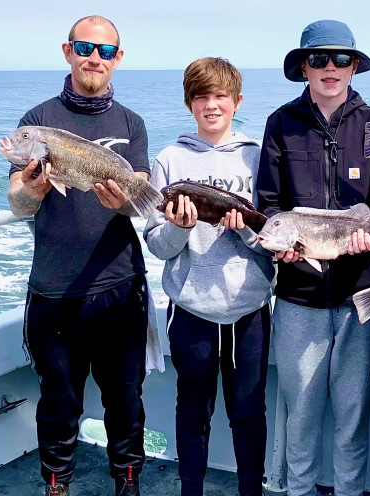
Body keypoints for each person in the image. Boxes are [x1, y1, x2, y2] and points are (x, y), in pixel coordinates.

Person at [254, 20, 370, 496]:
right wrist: (283, 243)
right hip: (298, 298)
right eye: (318, 59)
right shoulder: (280, 123)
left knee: (352, 415)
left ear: (354, 66)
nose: (330, 68)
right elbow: (268, 204)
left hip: (362, 294)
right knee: (300, 414)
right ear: (304, 67)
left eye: (341, 59)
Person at [6, 15, 150, 496]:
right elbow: (18, 202)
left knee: (125, 399)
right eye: (85, 48)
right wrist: (31, 190)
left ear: (118, 59)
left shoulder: (131, 123)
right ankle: (57, 485)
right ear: (67, 51)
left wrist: (125, 201)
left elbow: (140, 198)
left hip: (120, 286)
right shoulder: (36, 122)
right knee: (59, 402)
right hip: (54, 289)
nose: (94, 58)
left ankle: (127, 483)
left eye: (105, 51)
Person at [143, 57, 275, 496]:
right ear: (189, 104)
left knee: (249, 414)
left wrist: (247, 232)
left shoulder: (258, 157)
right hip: (191, 311)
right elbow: (157, 245)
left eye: (220, 96)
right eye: (201, 97)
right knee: (192, 413)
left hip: (249, 310)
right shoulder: (169, 160)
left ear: (237, 101)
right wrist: (181, 229)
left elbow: (273, 241)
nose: (211, 105)